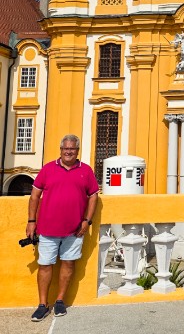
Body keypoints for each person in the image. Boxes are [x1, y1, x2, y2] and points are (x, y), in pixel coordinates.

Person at [26, 134, 99, 322]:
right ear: (61, 150)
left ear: (77, 150)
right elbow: (34, 196)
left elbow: (93, 195)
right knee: (45, 265)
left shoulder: (86, 171)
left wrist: (87, 220)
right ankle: (43, 305)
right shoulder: (48, 169)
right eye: (65, 148)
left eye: (72, 149)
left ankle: (60, 301)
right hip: (47, 229)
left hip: (75, 230)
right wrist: (31, 221)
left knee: (68, 263)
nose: (68, 152)